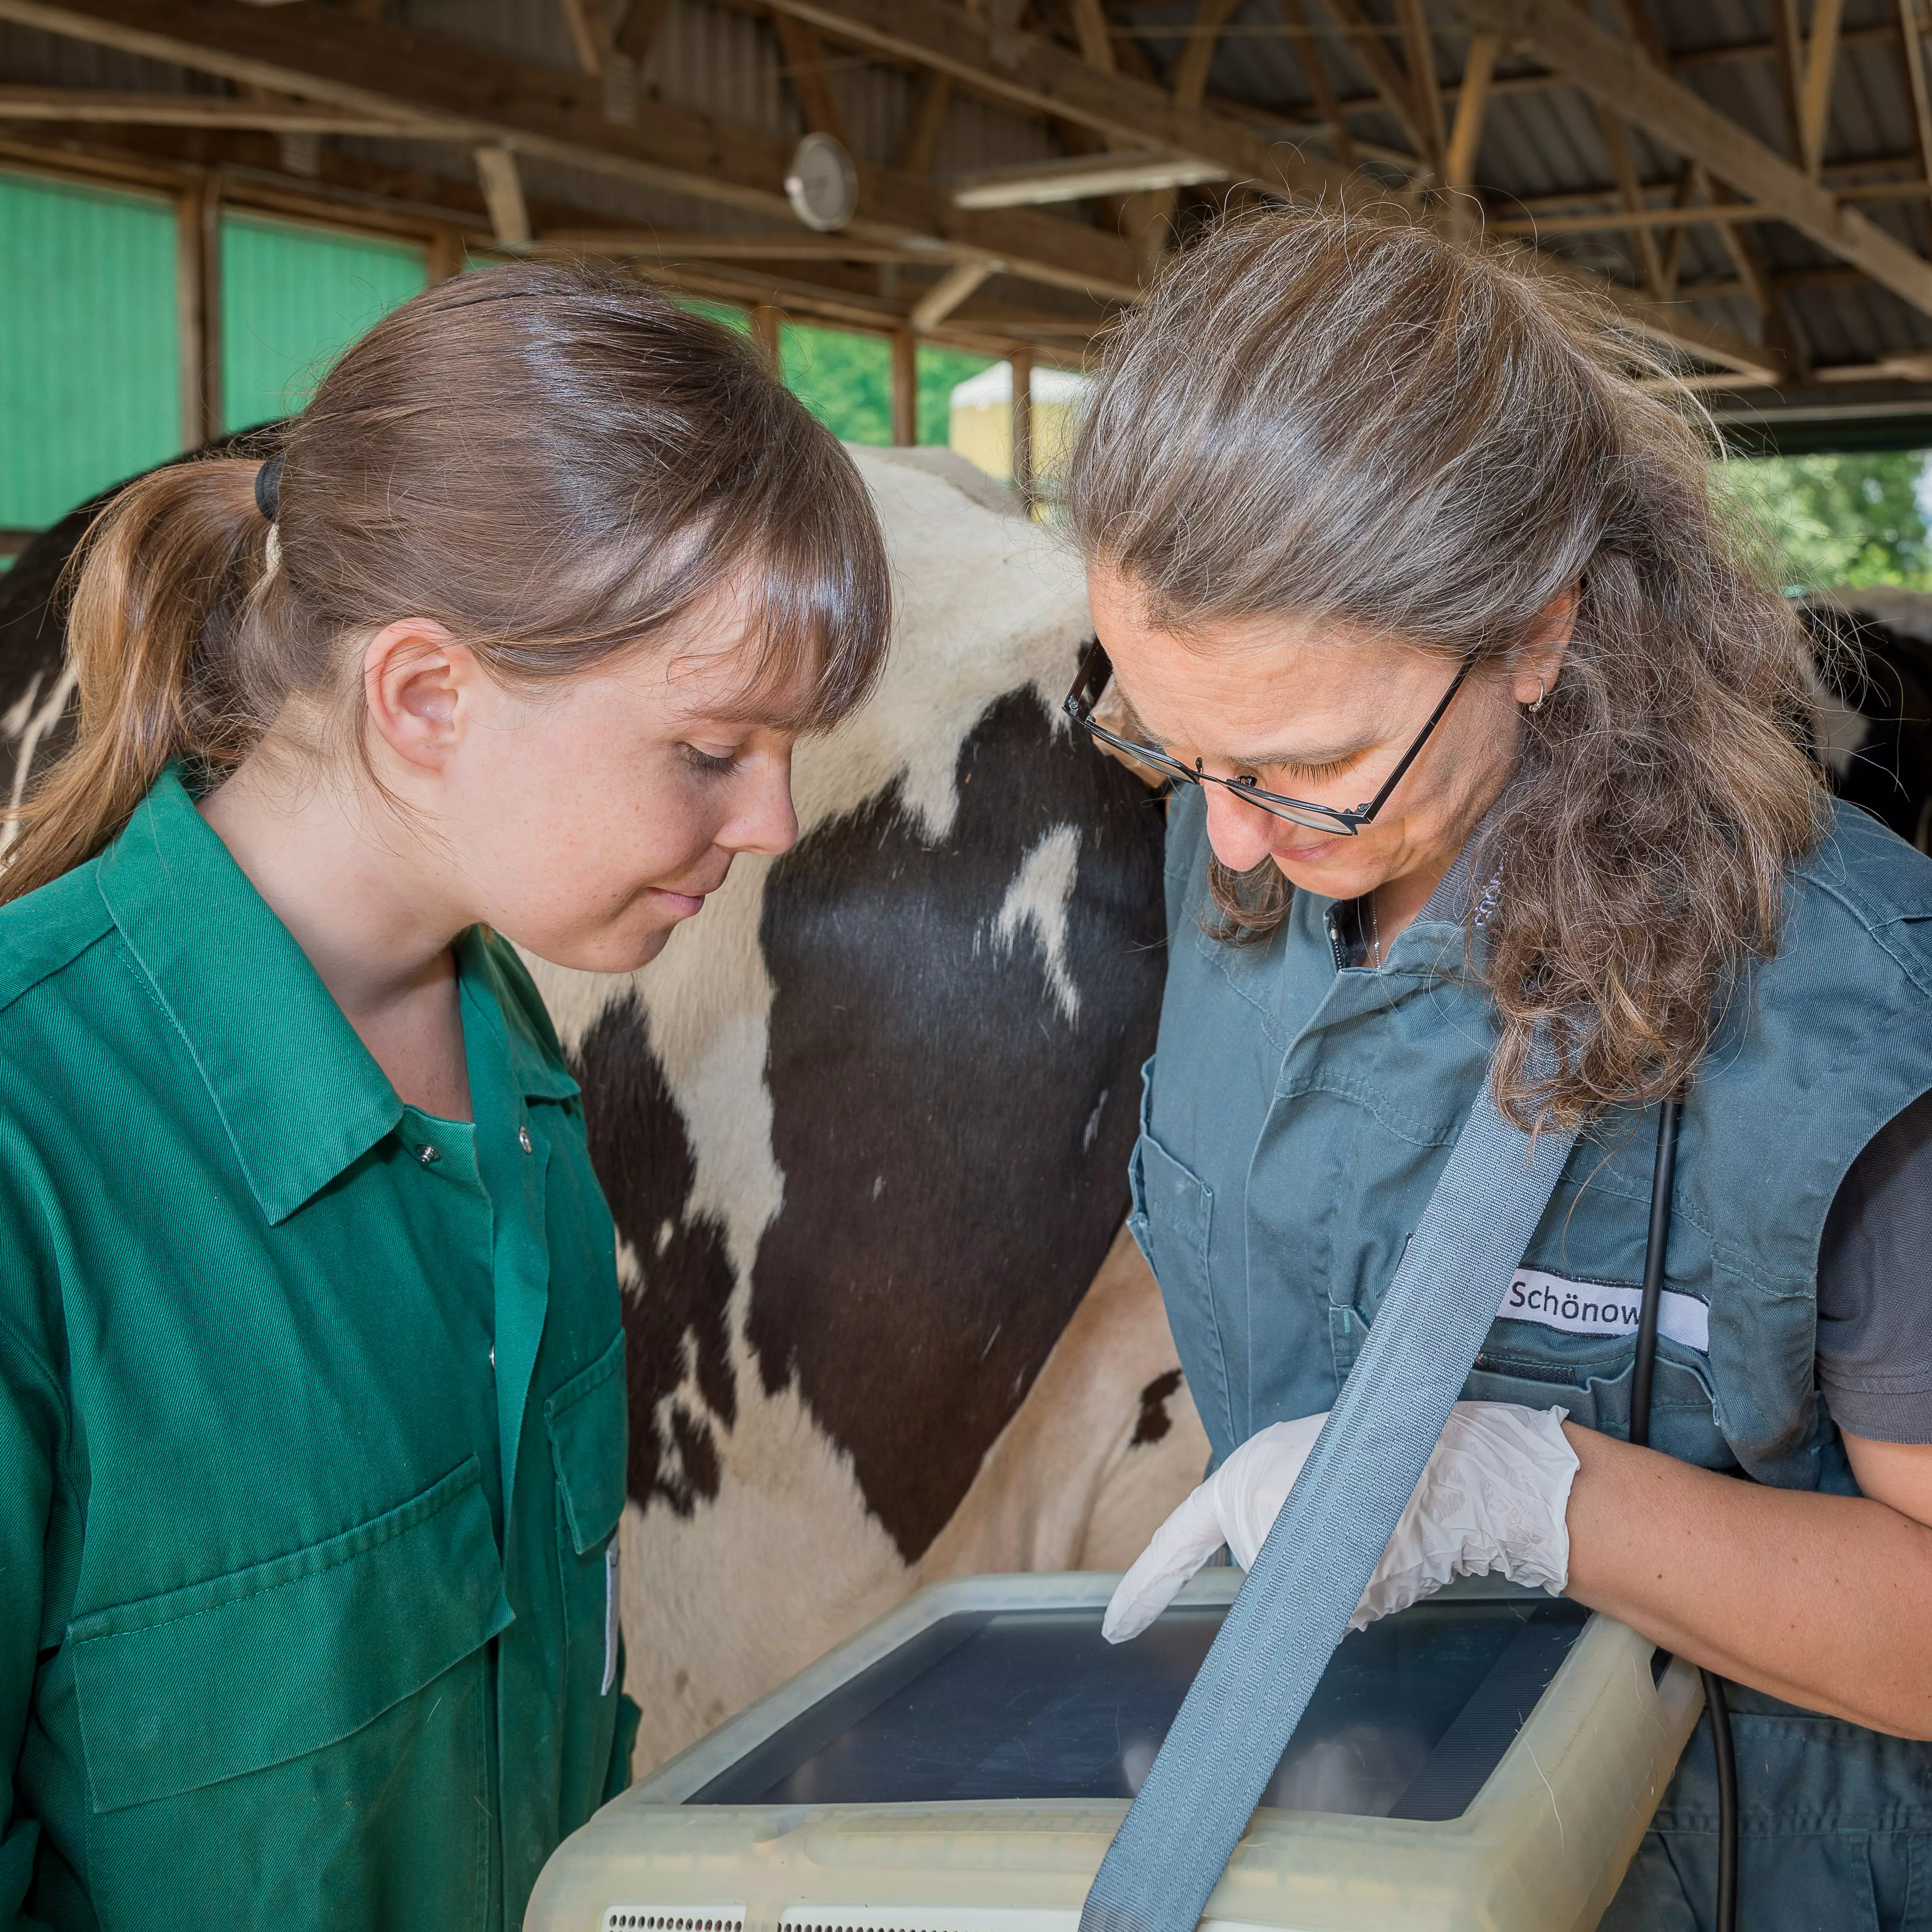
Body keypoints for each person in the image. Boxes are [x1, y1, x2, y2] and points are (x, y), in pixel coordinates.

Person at [0, 262, 888, 1932]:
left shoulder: (516, 1069)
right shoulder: (30, 1146)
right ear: (425, 698)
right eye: (710, 748)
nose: (770, 820)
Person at [1073, 211, 1932, 1926]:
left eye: (1307, 763)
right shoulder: (1245, 848)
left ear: (1538, 629)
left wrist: (1526, 1494)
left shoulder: (1843, 1024)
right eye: (1174, 747)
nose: (1231, 842)